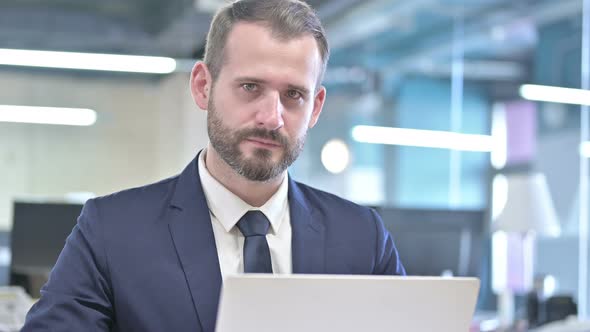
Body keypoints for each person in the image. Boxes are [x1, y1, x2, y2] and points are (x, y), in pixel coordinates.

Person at [22, 0, 405, 331]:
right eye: (250, 87)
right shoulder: (111, 231)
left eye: (293, 95)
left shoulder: (362, 238)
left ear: (316, 107)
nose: (272, 117)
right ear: (203, 86)